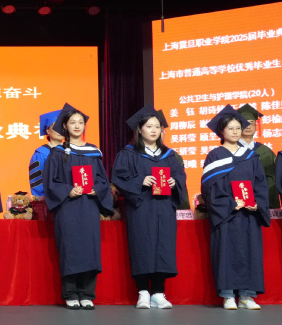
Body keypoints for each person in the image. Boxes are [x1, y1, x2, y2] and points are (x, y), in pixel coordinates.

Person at [112, 104, 187, 309]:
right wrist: (140, 181)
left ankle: (159, 293)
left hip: (164, 207)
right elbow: (119, 177)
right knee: (142, 246)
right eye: (149, 126)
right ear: (139, 129)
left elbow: (180, 176)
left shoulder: (169, 155)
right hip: (141, 207)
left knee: (163, 247)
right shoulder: (128, 154)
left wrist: (174, 182)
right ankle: (143, 292)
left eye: (157, 127)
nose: (154, 130)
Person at [44, 102, 112, 310]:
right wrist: (67, 190)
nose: (76, 126)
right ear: (65, 126)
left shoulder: (93, 152)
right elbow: (50, 182)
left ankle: (87, 294)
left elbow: (102, 180)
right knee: (70, 249)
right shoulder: (58, 153)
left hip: (89, 206)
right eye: (72, 122)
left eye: (80, 122)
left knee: (90, 249)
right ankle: (71, 293)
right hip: (68, 208)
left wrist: (96, 190)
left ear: (84, 126)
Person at [201, 105, 269, 310]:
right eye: (230, 128)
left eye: (238, 128)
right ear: (222, 131)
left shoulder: (251, 156)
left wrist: (257, 204)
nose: (235, 131)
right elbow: (209, 189)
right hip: (227, 215)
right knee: (226, 252)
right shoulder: (215, 156)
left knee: (250, 252)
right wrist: (230, 203)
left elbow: (260, 184)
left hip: (249, 215)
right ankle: (228, 295)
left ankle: (248, 296)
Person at [237, 104, 278, 208]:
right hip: (239, 205)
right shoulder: (230, 151)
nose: (248, 126)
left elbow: (274, 180)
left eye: (251, 123)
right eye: (244, 123)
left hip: (264, 204)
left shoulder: (266, 152)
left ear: (256, 125)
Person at [28, 110, 62, 199]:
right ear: (48, 130)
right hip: (50, 201)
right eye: (55, 127)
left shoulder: (72, 151)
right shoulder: (41, 154)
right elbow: (37, 182)